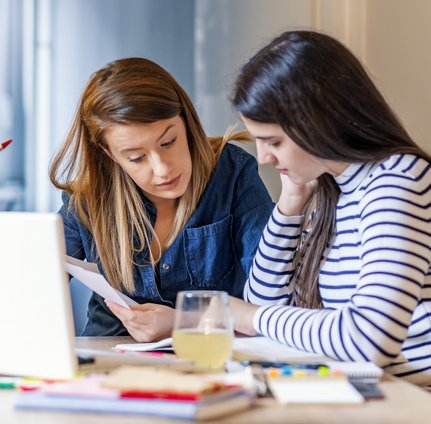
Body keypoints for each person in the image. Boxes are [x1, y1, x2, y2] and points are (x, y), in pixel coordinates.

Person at [229, 30, 431, 393]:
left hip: (419, 401)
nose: (263, 158)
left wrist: (254, 318)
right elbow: (262, 303)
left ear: (319, 121)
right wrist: (290, 203)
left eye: (273, 141)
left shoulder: (400, 180)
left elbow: (368, 341)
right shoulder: (334, 190)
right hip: (372, 394)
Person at [49, 57, 274, 342]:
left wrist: (183, 321)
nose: (162, 169)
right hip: (108, 359)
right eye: (136, 158)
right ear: (110, 155)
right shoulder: (86, 200)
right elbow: (30, 286)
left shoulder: (233, 174)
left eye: (168, 142)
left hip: (209, 356)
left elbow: (270, 305)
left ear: (186, 121)